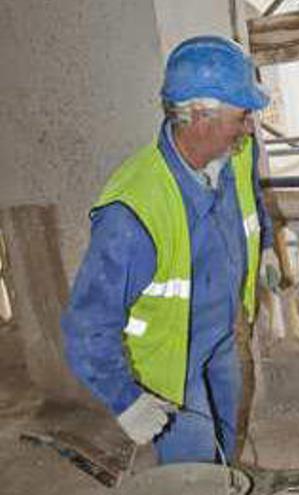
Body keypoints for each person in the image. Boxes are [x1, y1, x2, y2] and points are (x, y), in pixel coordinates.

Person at [61, 35, 276, 464]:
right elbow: (86, 327)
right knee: (193, 461)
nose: (250, 126)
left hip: (220, 335)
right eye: (242, 116)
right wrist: (126, 400)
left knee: (227, 435)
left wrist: (265, 245)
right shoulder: (132, 213)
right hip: (170, 361)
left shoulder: (236, 152)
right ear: (200, 117)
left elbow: (252, 200)